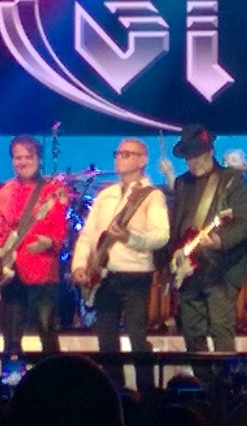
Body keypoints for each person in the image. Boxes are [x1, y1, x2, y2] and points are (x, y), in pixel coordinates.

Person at [70, 138, 170, 393]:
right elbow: (88, 234)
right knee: (106, 341)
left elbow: (161, 236)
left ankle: (147, 396)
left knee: (138, 339)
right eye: (118, 153)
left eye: (127, 154)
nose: (119, 158)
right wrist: (79, 264)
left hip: (136, 275)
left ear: (142, 160)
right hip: (104, 275)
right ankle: (115, 393)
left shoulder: (152, 196)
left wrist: (130, 237)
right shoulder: (106, 195)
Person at [166, 124, 247, 382]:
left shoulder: (231, 180)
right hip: (189, 270)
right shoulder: (182, 183)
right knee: (192, 332)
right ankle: (207, 385)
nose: (194, 163)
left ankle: (227, 388)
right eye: (189, 158)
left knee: (221, 329)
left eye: (198, 156)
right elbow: (177, 223)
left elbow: (243, 223)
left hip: (221, 269)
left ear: (210, 152)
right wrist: (173, 256)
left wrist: (219, 240)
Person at [0, 135, 69, 357]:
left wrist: (50, 242)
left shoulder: (54, 189)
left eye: (29, 157)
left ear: (38, 159)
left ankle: (53, 376)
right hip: (11, 272)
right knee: (11, 338)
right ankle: (12, 376)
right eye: (18, 158)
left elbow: (60, 228)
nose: (23, 162)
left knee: (47, 334)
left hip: (42, 272)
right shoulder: (6, 190)